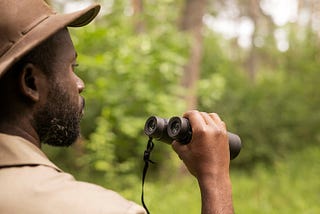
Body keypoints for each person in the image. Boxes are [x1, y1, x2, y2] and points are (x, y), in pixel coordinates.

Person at [0, 0, 234, 213]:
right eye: (72, 67)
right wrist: (215, 179)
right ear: (30, 82)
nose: (80, 84)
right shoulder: (89, 207)